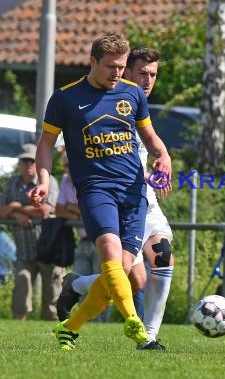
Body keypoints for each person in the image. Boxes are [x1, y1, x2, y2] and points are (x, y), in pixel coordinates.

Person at [28, 32, 172, 351]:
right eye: (110, 66)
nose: (117, 73)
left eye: (121, 66)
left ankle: (70, 327)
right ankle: (136, 324)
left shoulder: (133, 94)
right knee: (108, 250)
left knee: (119, 271)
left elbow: (149, 137)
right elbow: (46, 145)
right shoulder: (65, 98)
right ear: (92, 62)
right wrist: (42, 180)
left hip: (134, 194)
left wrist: (164, 155)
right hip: (96, 190)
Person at [0, 143, 62, 320]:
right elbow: (1, 210)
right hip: (24, 250)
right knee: (21, 284)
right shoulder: (12, 183)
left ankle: (53, 331)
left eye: (31, 160)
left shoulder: (49, 182)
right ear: (19, 162)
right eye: (24, 160)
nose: (28, 164)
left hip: (48, 248)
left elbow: (44, 211)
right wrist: (17, 215)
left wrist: (15, 207)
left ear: (38, 162)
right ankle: (18, 330)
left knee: (52, 299)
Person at [55, 152, 109, 322]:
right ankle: (87, 321)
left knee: (104, 284)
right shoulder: (65, 180)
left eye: (70, 165)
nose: (67, 169)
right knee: (79, 285)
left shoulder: (91, 178)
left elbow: (95, 212)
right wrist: (79, 212)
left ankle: (101, 324)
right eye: (65, 166)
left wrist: (73, 208)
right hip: (83, 241)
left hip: (100, 241)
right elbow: (59, 211)